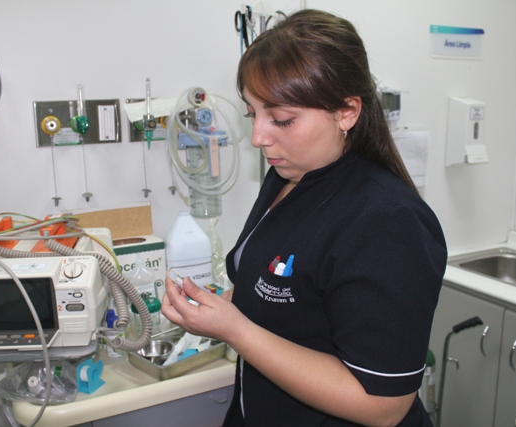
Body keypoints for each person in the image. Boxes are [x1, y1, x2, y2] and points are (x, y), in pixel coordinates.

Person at [161, 9, 447, 427]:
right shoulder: (288, 176)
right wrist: (219, 308)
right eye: (252, 114)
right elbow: (296, 302)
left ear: (347, 112)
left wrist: (235, 330)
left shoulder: (388, 222)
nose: (258, 137)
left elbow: (383, 406)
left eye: (282, 119)